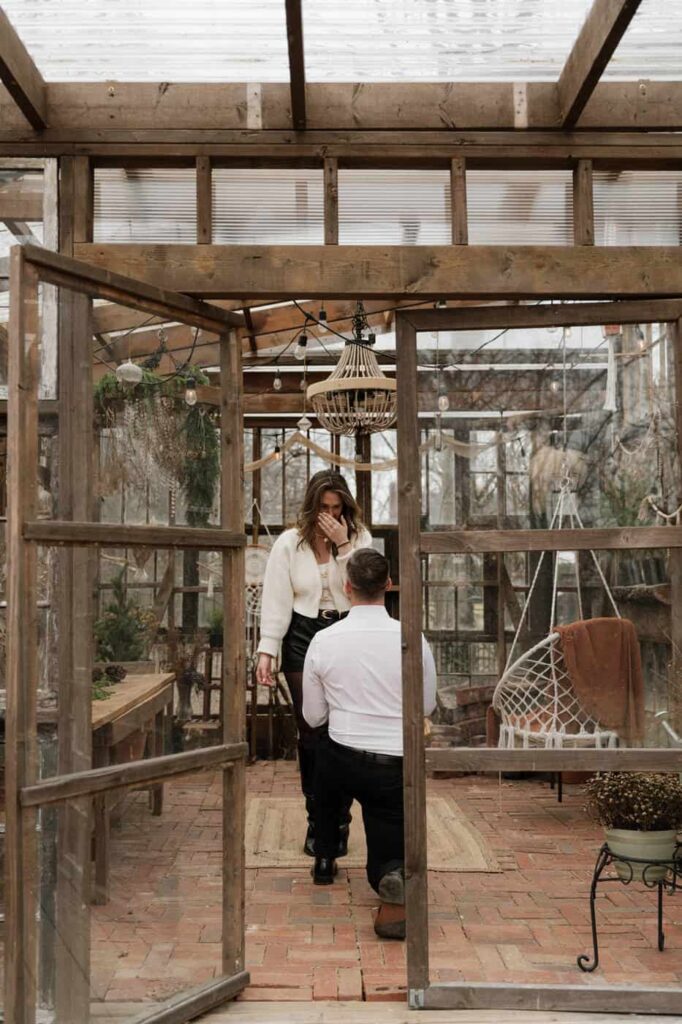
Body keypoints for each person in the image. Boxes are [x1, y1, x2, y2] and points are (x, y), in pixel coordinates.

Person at [302, 548, 437, 940]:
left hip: (341, 759)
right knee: (388, 840)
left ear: (346, 588)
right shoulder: (413, 637)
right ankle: (389, 875)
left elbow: (313, 717)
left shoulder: (324, 640)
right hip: (393, 765)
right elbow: (425, 705)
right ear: (388, 585)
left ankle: (325, 851)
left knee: (322, 761)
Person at [256, 470, 372, 857]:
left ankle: (340, 821)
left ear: (346, 508)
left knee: (343, 728)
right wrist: (267, 650)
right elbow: (275, 598)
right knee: (310, 731)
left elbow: (362, 589)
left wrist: (343, 546)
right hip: (301, 633)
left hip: (347, 629)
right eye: (323, 508)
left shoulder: (358, 538)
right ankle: (317, 821)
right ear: (312, 506)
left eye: (337, 508)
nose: (330, 514)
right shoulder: (290, 543)